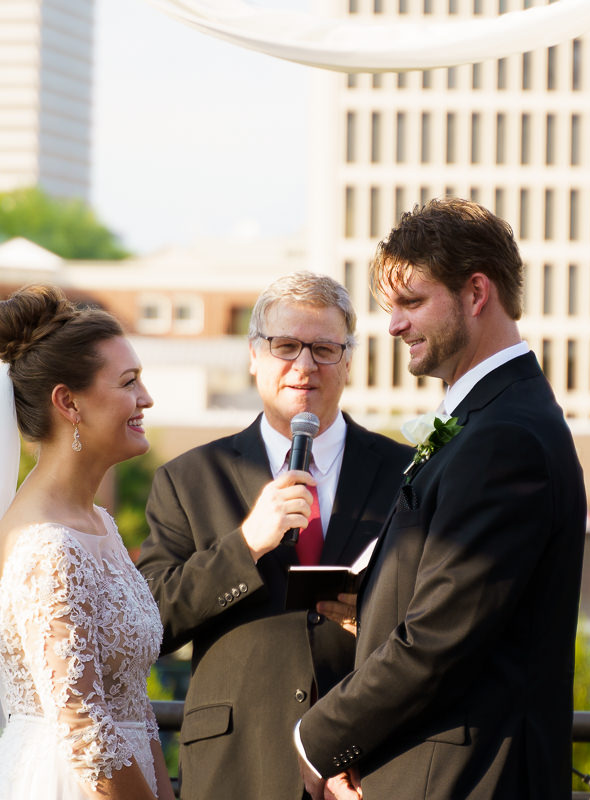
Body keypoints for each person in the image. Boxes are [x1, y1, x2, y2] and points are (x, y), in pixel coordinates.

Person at [296, 198, 588, 799]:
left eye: (412, 302)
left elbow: (441, 638)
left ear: (476, 294)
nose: (394, 326)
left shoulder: (506, 436)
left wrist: (318, 740)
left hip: (467, 779)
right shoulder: (492, 420)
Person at [137, 272, 411, 799]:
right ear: (253, 355)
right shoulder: (190, 478)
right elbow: (151, 622)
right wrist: (246, 545)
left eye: (324, 349)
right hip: (237, 765)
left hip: (367, 769)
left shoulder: (407, 474)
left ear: (348, 360)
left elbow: (433, 616)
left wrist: (370, 622)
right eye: (285, 346)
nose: (304, 367)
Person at [0, 285, 173, 800]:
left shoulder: (99, 524)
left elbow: (133, 707)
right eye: (129, 382)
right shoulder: (46, 546)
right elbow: (83, 726)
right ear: (68, 402)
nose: (146, 398)